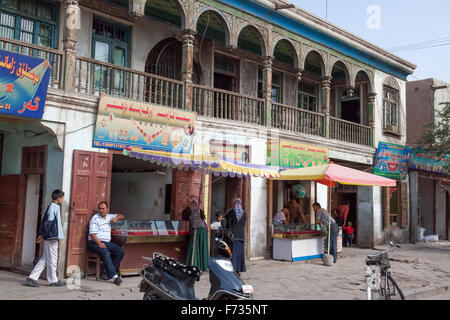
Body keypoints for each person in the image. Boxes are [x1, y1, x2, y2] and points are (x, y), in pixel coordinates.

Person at [25, 190, 66, 287]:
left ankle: (32, 278)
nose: (63, 200)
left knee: (45, 258)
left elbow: (47, 222)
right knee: (53, 258)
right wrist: (43, 236)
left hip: (50, 236)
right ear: (58, 198)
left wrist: (43, 235)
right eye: (62, 198)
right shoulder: (53, 207)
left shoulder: (54, 206)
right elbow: (49, 222)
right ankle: (53, 280)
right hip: (51, 237)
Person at [87, 201, 125, 286]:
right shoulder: (95, 218)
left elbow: (122, 215)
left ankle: (107, 272)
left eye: (103, 209)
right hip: (94, 242)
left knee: (120, 252)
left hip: (106, 242)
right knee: (105, 252)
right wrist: (99, 243)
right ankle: (114, 277)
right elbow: (92, 234)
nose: (101, 210)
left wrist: (116, 218)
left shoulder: (109, 216)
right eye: (99, 209)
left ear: (107, 210)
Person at [184, 195, 209, 271]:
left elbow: (184, 217)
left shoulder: (189, 209)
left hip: (197, 230)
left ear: (190, 202)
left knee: (194, 248)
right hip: (203, 230)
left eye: (187, 201)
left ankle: (194, 265)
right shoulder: (200, 208)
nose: (186, 202)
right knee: (201, 248)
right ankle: (203, 266)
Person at [225, 197, 247, 276]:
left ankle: (232, 269)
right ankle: (238, 270)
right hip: (241, 236)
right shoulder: (244, 213)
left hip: (233, 237)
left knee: (233, 253)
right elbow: (244, 224)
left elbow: (228, 224)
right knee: (239, 254)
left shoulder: (230, 212)